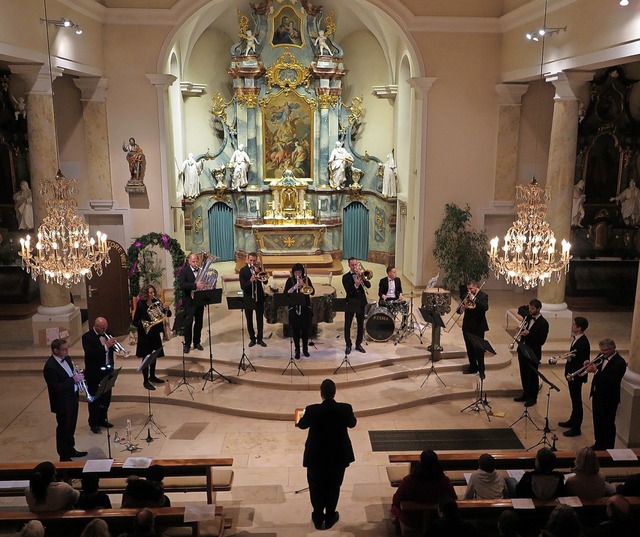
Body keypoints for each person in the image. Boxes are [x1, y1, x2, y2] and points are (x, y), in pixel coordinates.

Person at [297, 379, 356, 531]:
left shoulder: (312, 410)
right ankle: (330, 516)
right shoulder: (345, 408)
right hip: (337, 456)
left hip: (316, 457)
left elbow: (302, 425)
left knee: (315, 486)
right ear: (334, 392)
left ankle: (317, 516)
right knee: (334, 486)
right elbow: (352, 423)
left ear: (321, 394)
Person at [390, 450, 457, 537]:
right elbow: (453, 498)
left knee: (394, 509)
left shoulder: (409, 480)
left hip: (413, 519)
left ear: (420, 463)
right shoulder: (444, 481)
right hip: (436, 517)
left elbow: (396, 500)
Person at [43, 339, 88, 462]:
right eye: (64, 349)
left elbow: (71, 373)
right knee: (63, 428)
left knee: (71, 426)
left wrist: (78, 377)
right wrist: (73, 380)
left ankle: (71, 449)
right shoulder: (50, 367)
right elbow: (55, 388)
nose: (67, 350)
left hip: (72, 398)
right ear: (55, 350)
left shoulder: (67, 358)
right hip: (62, 403)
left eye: (67, 348)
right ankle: (64, 456)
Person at [584, 338, 627, 450]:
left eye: (605, 350)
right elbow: (596, 366)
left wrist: (596, 371)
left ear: (613, 349)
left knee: (607, 423)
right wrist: (588, 364)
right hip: (597, 394)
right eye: (601, 350)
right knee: (597, 421)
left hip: (609, 398)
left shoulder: (620, 362)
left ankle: (608, 447)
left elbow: (612, 381)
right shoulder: (601, 355)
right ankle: (599, 443)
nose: (602, 352)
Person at [82, 317, 116, 435]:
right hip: (94, 373)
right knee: (95, 399)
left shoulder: (108, 333)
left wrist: (115, 346)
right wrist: (106, 346)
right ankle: (94, 423)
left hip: (107, 371)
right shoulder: (87, 337)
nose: (104, 330)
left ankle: (102, 419)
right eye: (102, 328)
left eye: (105, 327)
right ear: (95, 326)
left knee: (106, 398)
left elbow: (112, 351)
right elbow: (91, 354)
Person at [558, 317, 590, 437]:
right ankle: (572, 420)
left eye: (574, 325)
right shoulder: (577, 339)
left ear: (579, 328)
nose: (572, 326)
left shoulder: (583, 342)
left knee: (577, 401)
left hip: (576, 376)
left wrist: (570, 359)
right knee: (574, 399)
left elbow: (582, 361)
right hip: (572, 374)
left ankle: (576, 428)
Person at [133, 284, 170, 390]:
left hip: (154, 334)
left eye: (153, 292)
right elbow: (135, 321)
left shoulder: (156, 302)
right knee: (146, 358)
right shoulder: (141, 305)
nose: (152, 294)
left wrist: (165, 309)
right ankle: (145, 380)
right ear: (145, 293)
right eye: (150, 293)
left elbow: (167, 314)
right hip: (145, 335)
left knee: (153, 356)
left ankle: (152, 376)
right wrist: (146, 325)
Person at [513, 299, 549, 407]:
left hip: (533, 353)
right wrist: (520, 330)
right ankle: (525, 394)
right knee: (523, 373)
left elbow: (541, 341)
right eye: (529, 307)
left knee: (532, 376)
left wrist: (529, 334)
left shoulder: (544, 323)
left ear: (538, 309)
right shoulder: (528, 318)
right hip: (523, 349)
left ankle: (532, 398)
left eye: (532, 308)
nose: (530, 310)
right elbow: (524, 329)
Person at [284, 263, 315, 359]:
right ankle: (297, 350)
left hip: (305, 309)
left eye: (300, 272)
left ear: (302, 272)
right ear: (293, 272)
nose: (298, 274)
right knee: (295, 331)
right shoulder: (290, 280)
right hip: (294, 309)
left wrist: (304, 285)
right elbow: (285, 294)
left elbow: (312, 291)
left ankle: (305, 350)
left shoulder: (306, 279)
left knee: (305, 330)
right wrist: (294, 288)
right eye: (296, 272)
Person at [459, 280, 489, 379]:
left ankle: (481, 370)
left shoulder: (483, 296)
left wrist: (474, 298)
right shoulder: (465, 295)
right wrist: (462, 309)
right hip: (467, 326)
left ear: (476, 287)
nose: (469, 291)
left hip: (478, 327)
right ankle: (473, 367)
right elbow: (458, 310)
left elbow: (485, 307)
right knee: (469, 348)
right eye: (468, 289)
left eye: (471, 288)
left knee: (479, 349)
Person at [177, 253, 206, 354]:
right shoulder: (184, 272)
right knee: (188, 324)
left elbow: (204, 282)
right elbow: (182, 285)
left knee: (199, 323)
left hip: (199, 301)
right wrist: (195, 285)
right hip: (189, 301)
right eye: (193, 261)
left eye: (196, 261)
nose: (195, 263)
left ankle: (197, 342)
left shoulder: (202, 271)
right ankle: (187, 344)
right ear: (189, 261)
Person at [342, 257, 370, 354]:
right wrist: (356, 285)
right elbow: (348, 291)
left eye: (355, 264)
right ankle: (348, 345)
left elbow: (368, 285)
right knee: (347, 325)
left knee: (360, 325)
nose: (354, 267)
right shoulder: (345, 277)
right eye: (352, 265)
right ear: (349, 265)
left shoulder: (361, 274)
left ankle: (358, 344)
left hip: (361, 302)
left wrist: (362, 276)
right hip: (350, 302)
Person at [239, 252, 267, 348]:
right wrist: (250, 281)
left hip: (259, 297)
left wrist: (259, 271)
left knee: (259, 319)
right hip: (248, 298)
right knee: (249, 319)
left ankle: (260, 339)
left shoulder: (260, 269)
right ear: (247, 260)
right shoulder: (243, 271)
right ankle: (252, 339)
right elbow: (243, 286)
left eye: (254, 260)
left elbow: (266, 281)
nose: (252, 262)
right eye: (251, 260)